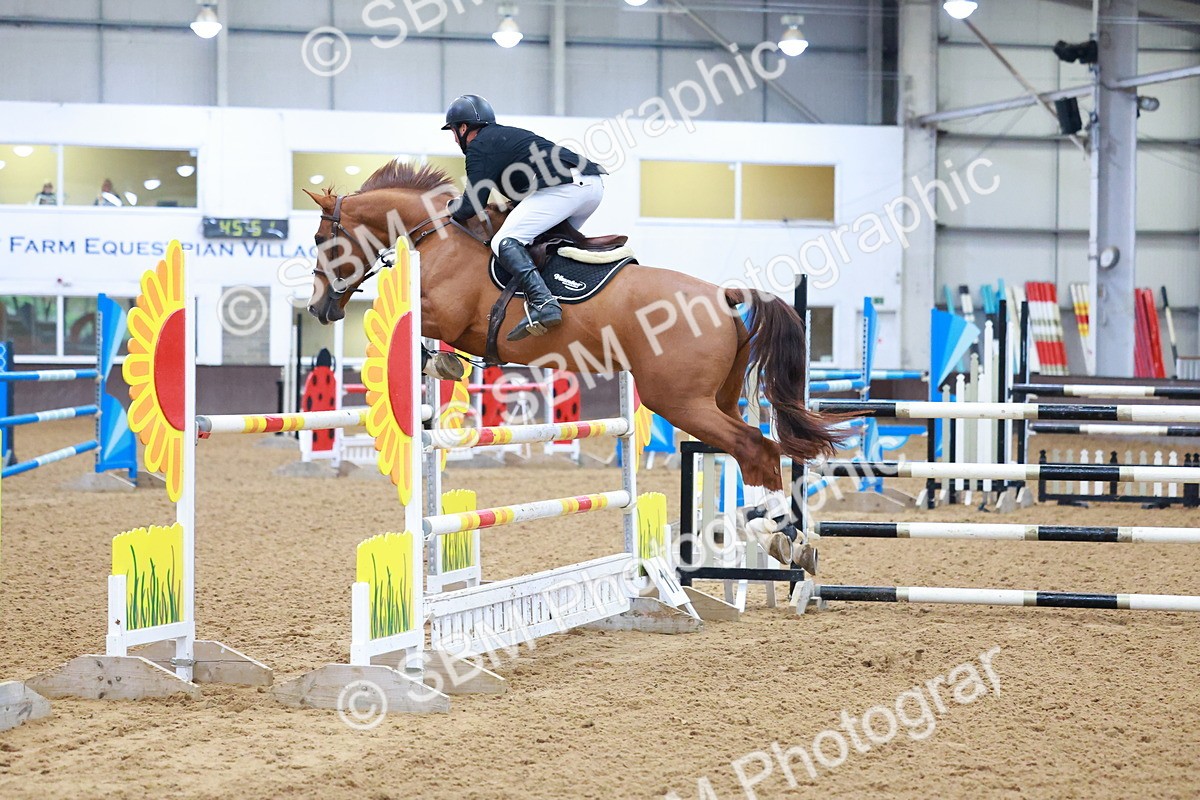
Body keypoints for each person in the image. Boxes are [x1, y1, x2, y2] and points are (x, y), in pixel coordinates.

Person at [442, 94, 607, 341]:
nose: (455, 139)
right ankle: (569, 297)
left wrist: (446, 208)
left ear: (463, 128)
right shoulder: (502, 139)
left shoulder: (480, 146)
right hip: (592, 187)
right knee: (547, 245)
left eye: (454, 132)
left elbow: (471, 206)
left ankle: (544, 303)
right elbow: (521, 196)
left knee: (504, 241)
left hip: (567, 187)